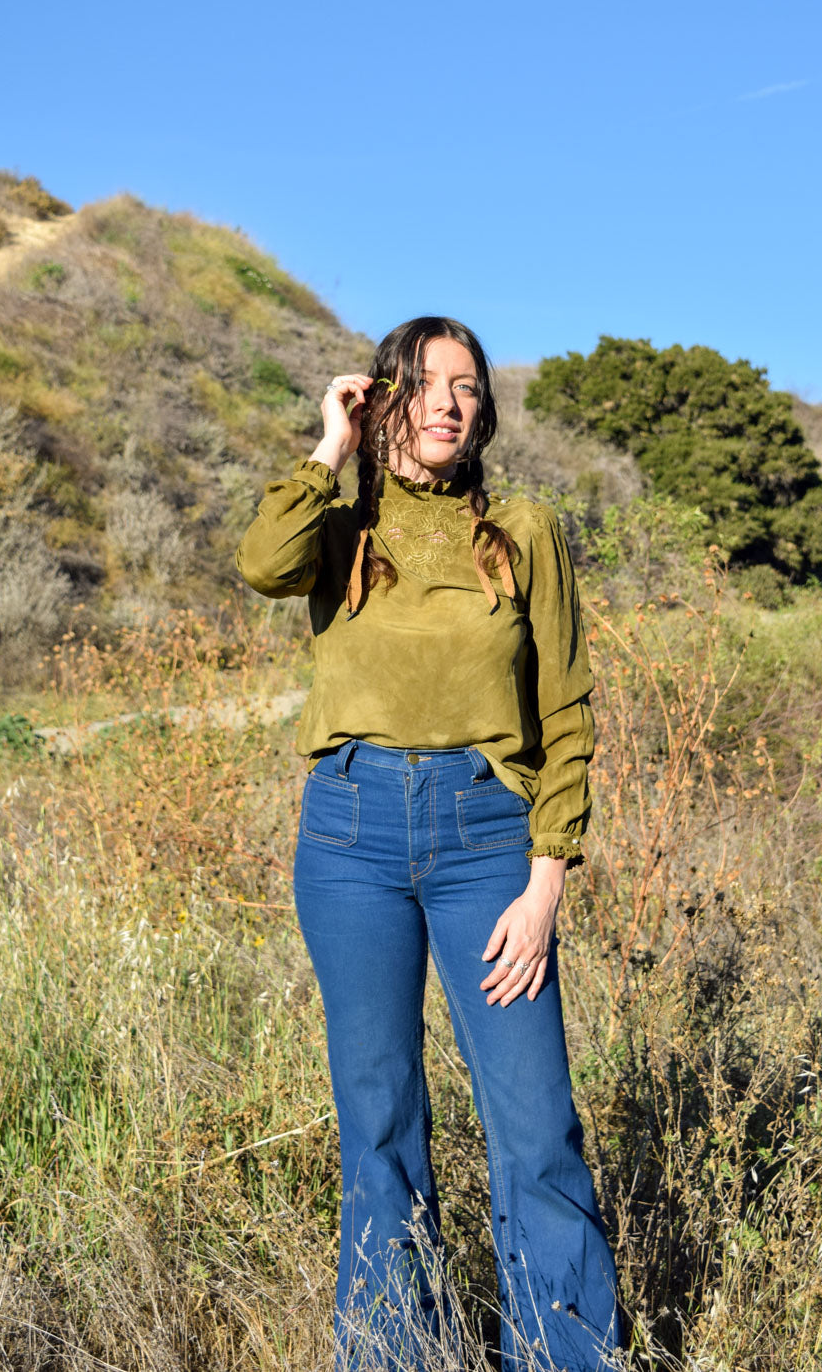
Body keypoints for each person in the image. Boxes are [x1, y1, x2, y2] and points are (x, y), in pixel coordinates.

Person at [236, 316, 620, 1371]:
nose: (450, 400)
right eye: (424, 382)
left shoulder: (526, 531)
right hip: (349, 837)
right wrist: (331, 446)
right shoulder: (341, 533)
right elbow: (263, 561)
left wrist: (547, 880)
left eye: (467, 385)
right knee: (379, 1126)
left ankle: (565, 1356)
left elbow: (567, 708)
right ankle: (399, 1355)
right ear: (383, 397)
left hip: (489, 838)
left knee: (535, 1128)